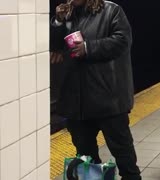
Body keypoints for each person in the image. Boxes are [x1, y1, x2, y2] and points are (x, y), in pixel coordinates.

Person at [51, 0, 141, 179]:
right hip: (77, 103)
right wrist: (58, 22)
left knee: (125, 158)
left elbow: (123, 40)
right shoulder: (67, 14)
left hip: (108, 100)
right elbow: (54, 46)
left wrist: (88, 47)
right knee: (87, 161)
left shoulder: (111, 11)